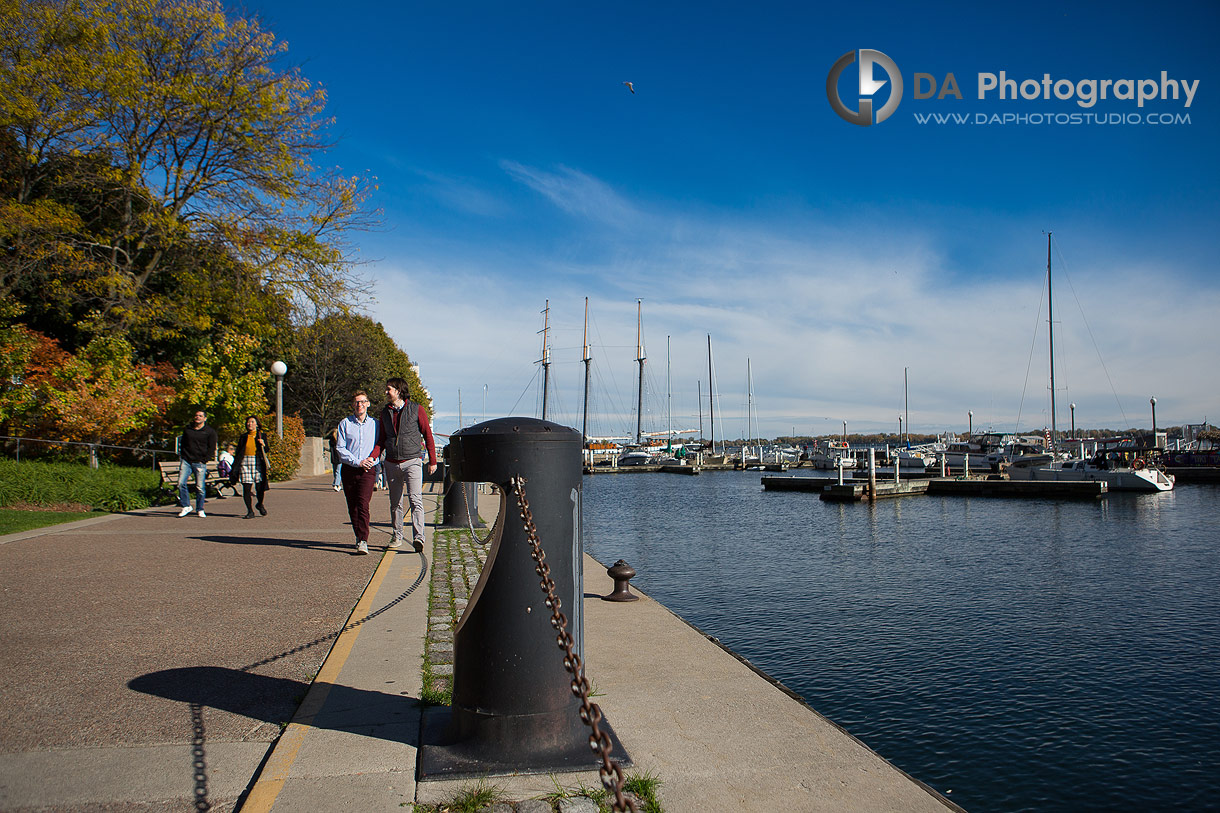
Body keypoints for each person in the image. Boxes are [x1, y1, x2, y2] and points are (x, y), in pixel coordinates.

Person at [377, 377, 437, 552]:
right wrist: (374, 457)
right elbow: (381, 438)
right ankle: (397, 536)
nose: (386, 392)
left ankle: (419, 538)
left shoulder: (416, 409)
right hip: (391, 462)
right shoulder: (385, 412)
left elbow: (428, 435)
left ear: (398, 391)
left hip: (412, 461)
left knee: (415, 499)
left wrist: (432, 460)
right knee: (395, 502)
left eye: (389, 389)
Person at [335, 391, 381, 555]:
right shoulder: (345, 423)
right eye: (356, 402)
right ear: (352, 405)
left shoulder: (376, 424)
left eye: (362, 402)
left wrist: (370, 461)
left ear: (368, 404)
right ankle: (358, 535)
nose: (359, 405)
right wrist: (357, 461)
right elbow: (340, 448)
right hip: (349, 469)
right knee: (352, 505)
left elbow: (379, 445)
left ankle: (363, 540)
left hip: (368, 470)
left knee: (363, 504)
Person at [177, 408, 218, 518]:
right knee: (181, 483)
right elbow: (183, 443)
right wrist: (183, 455)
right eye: (196, 415)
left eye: (200, 416)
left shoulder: (210, 431)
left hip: (200, 462)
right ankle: (186, 505)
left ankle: (200, 508)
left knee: (200, 487)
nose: (197, 417)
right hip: (186, 460)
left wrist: (205, 459)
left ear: (205, 418)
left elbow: (212, 447)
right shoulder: (188, 429)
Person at [228, 416, 271, 518]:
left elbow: (267, 450)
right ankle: (250, 511)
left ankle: (259, 504)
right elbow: (239, 451)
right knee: (246, 488)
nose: (250, 424)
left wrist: (263, 444)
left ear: (257, 424)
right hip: (245, 463)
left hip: (257, 462)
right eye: (248, 422)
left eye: (252, 422)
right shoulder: (243, 437)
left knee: (260, 488)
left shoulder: (261, 435)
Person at [327, 427, 342, 491]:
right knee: (338, 472)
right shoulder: (339, 441)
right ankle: (336, 484)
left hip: (333, 458)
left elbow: (330, 450)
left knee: (335, 471)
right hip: (339, 458)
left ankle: (336, 484)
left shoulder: (331, 442)